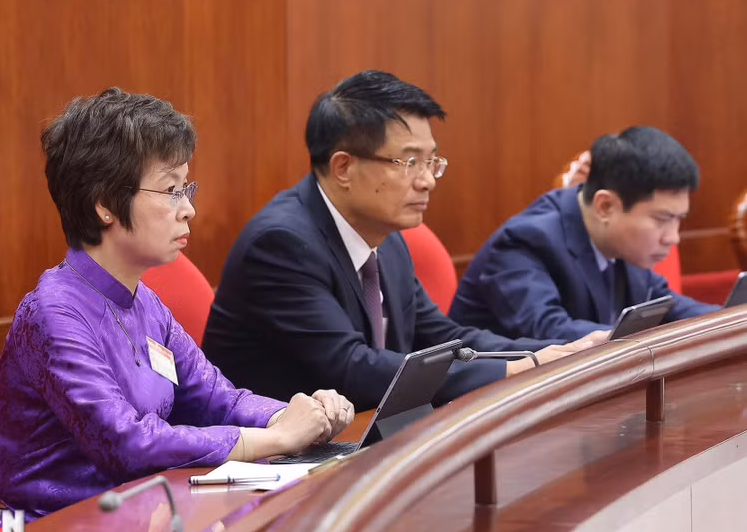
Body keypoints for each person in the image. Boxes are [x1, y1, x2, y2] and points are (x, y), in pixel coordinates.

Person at [0, 88, 354, 520]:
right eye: (171, 190)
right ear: (104, 205)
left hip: (129, 518)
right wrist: (278, 439)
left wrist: (298, 414)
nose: (188, 208)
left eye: (186, 188)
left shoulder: (146, 304)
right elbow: (126, 444)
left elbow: (216, 399)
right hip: (36, 530)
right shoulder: (53, 314)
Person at [201, 70, 601, 413]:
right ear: (344, 167)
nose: (427, 179)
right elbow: (352, 368)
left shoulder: (386, 238)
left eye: (431, 162)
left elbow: (444, 338)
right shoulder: (281, 244)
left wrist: (550, 352)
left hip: (355, 446)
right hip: (269, 472)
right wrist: (516, 369)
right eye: (410, 162)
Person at [449, 126, 719, 341]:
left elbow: (669, 308)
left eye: (678, 220)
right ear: (605, 206)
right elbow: (551, 332)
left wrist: (733, 319)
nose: (673, 237)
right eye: (662, 219)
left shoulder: (620, 241)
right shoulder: (525, 242)